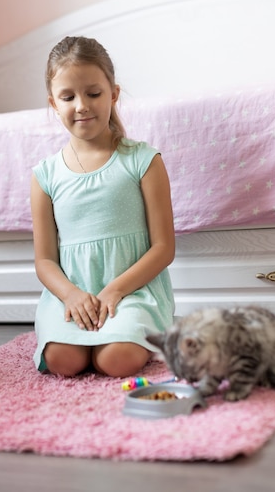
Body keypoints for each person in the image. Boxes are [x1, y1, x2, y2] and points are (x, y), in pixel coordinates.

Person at [31, 35, 175, 378]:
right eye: (68, 97)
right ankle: (84, 337)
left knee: (116, 361)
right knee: (63, 362)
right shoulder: (44, 175)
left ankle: (127, 336)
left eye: (93, 93)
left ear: (113, 93)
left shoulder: (142, 160)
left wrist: (115, 291)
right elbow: (44, 260)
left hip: (132, 291)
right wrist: (70, 295)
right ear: (54, 103)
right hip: (72, 294)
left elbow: (164, 247)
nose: (81, 105)